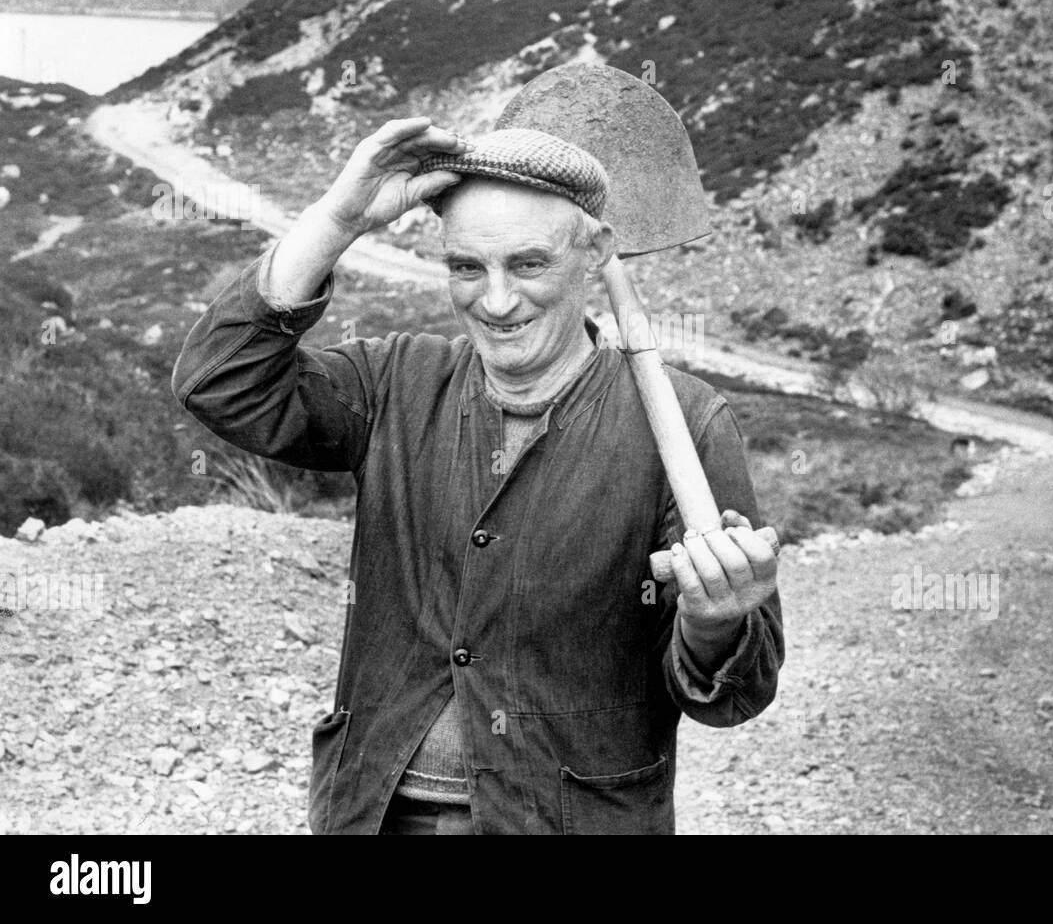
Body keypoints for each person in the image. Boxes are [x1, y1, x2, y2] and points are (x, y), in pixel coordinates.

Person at [171, 116, 784, 834]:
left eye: (528, 264)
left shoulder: (686, 422)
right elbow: (219, 382)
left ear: (593, 253)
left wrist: (715, 622)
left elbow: (733, 693)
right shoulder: (394, 383)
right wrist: (336, 221)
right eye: (467, 267)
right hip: (373, 814)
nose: (495, 302)